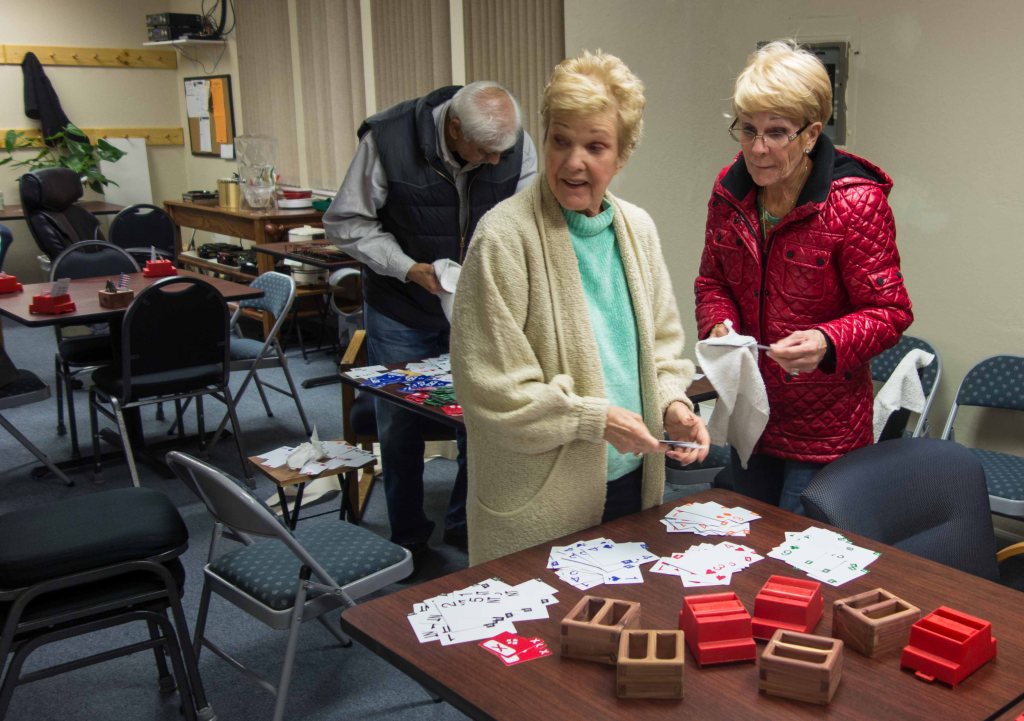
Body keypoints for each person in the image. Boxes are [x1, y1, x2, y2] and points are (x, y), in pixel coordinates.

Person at [451, 51, 710, 565]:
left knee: (628, 630)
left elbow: (661, 352)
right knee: (544, 639)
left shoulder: (637, 229)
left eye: (595, 146)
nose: (574, 161)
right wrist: (594, 420)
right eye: (560, 141)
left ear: (623, 154)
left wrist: (673, 408)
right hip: (541, 499)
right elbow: (490, 390)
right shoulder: (503, 237)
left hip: (632, 485)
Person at [694, 40, 913, 513]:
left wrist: (826, 341)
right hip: (751, 416)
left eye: (776, 133)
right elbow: (712, 281)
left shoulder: (855, 203)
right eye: (747, 129)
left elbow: (891, 312)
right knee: (747, 548)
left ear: (812, 134)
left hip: (824, 432)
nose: (757, 148)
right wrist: (718, 325)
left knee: (801, 565)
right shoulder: (729, 193)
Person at [324, 81, 538, 553]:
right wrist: (406, 268)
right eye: (485, 152)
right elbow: (346, 221)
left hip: (475, 308)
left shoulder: (512, 144)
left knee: (479, 417)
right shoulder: (387, 140)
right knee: (399, 428)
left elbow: (525, 220)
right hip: (402, 306)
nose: (497, 163)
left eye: (503, 151)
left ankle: (465, 523)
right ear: (455, 128)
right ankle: (408, 539)